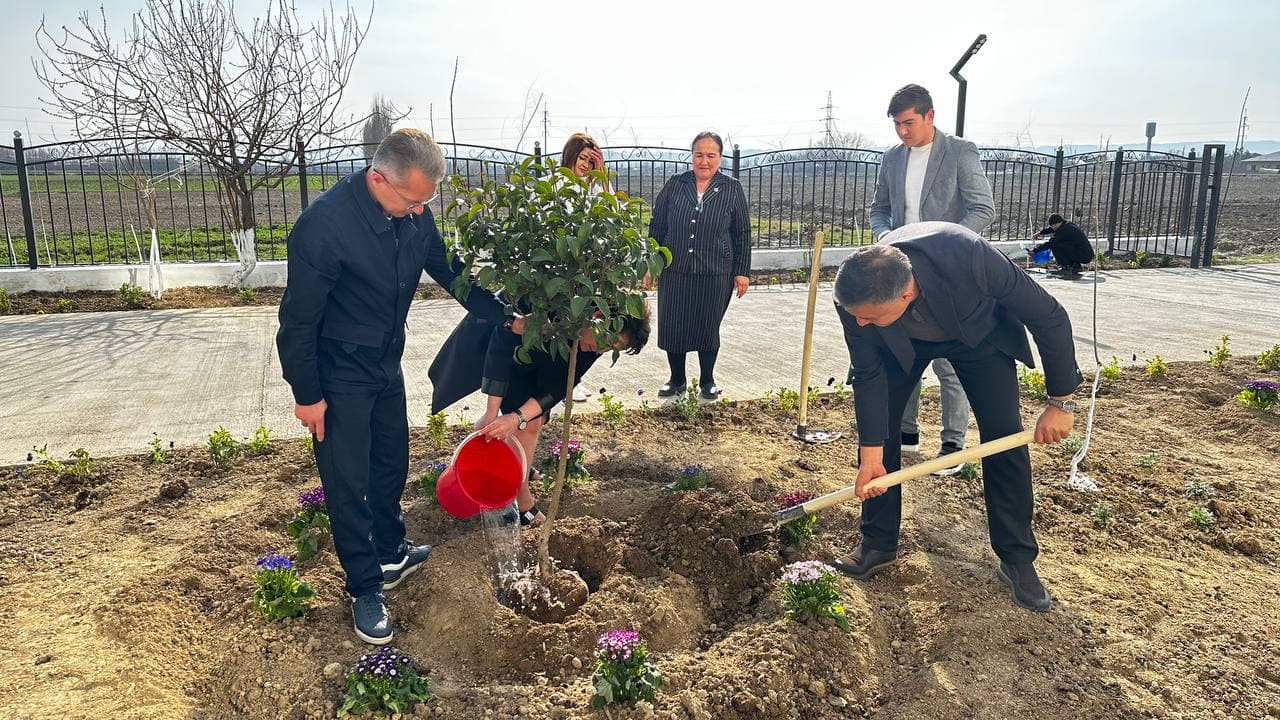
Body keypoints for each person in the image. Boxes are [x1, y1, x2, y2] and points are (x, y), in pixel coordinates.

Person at [277, 129, 517, 646]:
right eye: (412, 201)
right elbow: (296, 321)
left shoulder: (415, 216)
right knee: (347, 481)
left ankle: (391, 550)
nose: (418, 212)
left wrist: (507, 315)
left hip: (385, 364)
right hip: (337, 373)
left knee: (391, 462)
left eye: (426, 202)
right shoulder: (324, 228)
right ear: (377, 178)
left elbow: (451, 273)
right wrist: (307, 394)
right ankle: (364, 586)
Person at [831, 222, 1082, 612]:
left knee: (1002, 434)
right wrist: (870, 457)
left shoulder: (971, 256)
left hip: (977, 334)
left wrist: (1060, 402)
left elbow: (1049, 316)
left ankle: (1017, 557)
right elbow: (868, 375)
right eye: (856, 317)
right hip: (901, 344)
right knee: (882, 439)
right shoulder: (856, 294)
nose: (858, 323)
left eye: (868, 318)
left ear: (906, 292)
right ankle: (878, 543)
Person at [867, 83, 996, 474]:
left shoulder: (959, 152)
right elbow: (879, 208)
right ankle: (906, 434)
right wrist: (884, 238)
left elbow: (982, 208)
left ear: (930, 116)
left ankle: (952, 443)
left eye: (909, 122)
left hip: (950, 272)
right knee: (904, 352)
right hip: (902, 272)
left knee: (950, 361)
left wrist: (948, 245)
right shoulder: (892, 158)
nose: (903, 132)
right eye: (897, 125)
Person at [475, 306, 650, 524]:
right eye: (606, 342)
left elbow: (559, 387)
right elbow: (501, 343)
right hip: (511, 360)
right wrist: (492, 412)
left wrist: (515, 417)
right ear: (597, 317)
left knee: (530, 420)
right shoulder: (554, 309)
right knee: (527, 424)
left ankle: (521, 466)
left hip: (541, 372)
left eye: (613, 349)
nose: (603, 350)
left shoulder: (591, 344)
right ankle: (522, 502)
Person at [648, 131, 751, 400]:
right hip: (675, 267)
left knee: (708, 325)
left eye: (710, 155)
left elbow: (742, 233)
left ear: (720, 158)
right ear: (691, 156)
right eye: (699, 155)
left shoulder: (731, 188)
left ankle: (707, 380)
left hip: (715, 270)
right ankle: (677, 379)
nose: (704, 161)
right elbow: (658, 225)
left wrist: (742, 271)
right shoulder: (675, 184)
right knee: (674, 324)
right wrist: (651, 264)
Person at [561, 133, 609, 404]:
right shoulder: (555, 185)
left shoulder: (594, 188)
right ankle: (566, 381)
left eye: (591, 162)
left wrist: (601, 174)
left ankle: (574, 379)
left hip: (587, 269)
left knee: (583, 323)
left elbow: (612, 212)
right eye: (582, 158)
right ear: (570, 155)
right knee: (565, 324)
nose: (585, 166)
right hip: (562, 269)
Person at [1032, 213, 1094, 278]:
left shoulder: (1064, 230)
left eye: (1053, 225)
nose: (1053, 227)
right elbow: (1051, 229)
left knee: (1056, 245)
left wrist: (1035, 250)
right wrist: (1040, 233)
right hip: (1084, 253)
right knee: (1063, 244)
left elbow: (1051, 243)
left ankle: (1066, 267)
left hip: (1083, 255)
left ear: (1058, 223)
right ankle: (1075, 266)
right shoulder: (1066, 225)